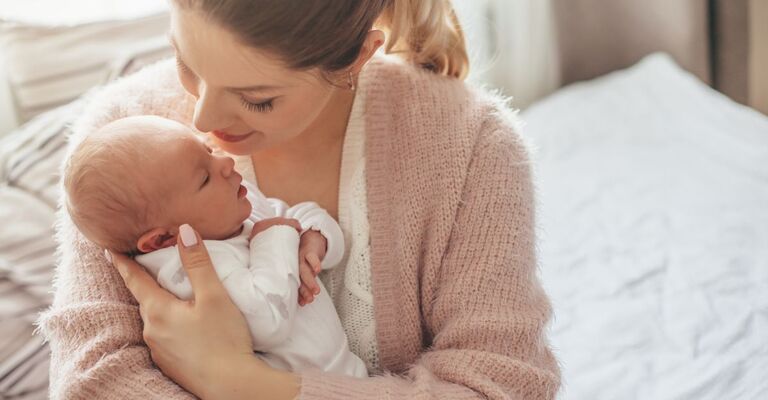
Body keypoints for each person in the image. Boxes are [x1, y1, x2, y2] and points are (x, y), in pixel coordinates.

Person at [39, 0, 561, 398]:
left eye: (257, 99)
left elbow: (502, 385)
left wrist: (242, 384)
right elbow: (93, 378)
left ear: (356, 58)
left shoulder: (472, 147)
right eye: (186, 63)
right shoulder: (120, 139)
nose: (203, 121)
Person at [61, 115, 367, 377]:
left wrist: (315, 238)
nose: (225, 162)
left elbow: (300, 214)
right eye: (204, 178)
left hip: (348, 374)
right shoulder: (186, 271)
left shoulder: (236, 211)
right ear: (162, 239)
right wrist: (274, 237)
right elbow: (268, 322)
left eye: (208, 150)